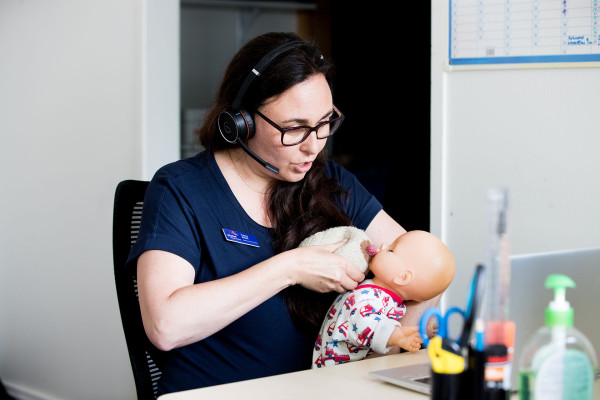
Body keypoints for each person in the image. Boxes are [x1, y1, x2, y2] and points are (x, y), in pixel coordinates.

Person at [127, 31, 441, 395]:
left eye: (325, 123)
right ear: (241, 121)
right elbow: (165, 326)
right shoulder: (180, 189)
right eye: (295, 129)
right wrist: (290, 267)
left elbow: (427, 276)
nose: (314, 145)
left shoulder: (334, 183)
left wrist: (380, 356)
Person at [309, 229, 456, 367]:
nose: (383, 245)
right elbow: (364, 321)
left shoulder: (378, 297)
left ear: (402, 277)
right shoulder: (366, 297)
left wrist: (419, 332)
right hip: (335, 373)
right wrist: (394, 335)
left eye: (391, 250)